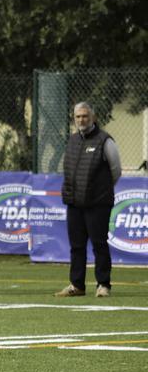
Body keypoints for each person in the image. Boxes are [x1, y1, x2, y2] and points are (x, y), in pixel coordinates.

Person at [55, 102, 122, 298]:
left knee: (99, 244)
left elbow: (115, 171)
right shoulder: (72, 140)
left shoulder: (105, 140)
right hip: (74, 202)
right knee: (76, 246)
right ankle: (77, 285)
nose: (81, 120)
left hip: (97, 204)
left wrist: (101, 191)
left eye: (85, 116)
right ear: (74, 119)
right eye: (78, 117)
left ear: (92, 117)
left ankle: (103, 284)